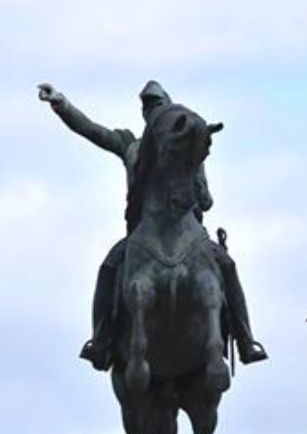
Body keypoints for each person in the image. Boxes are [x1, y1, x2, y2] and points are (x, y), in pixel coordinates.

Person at [38, 81, 267, 369]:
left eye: (157, 105)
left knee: (228, 266)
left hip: (190, 234)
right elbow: (93, 131)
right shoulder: (129, 145)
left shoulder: (188, 151)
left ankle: (246, 341)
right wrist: (62, 106)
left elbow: (206, 201)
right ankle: (101, 341)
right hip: (141, 236)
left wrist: (196, 181)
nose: (151, 110)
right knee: (108, 268)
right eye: (147, 106)